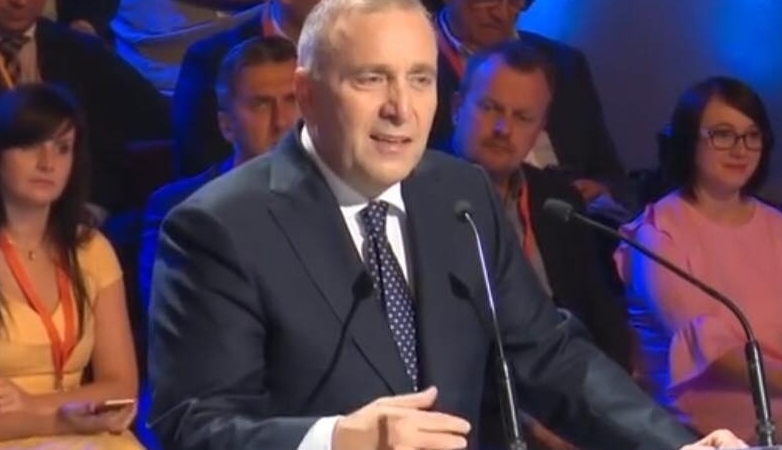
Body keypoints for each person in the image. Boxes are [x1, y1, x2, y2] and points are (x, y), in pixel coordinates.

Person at [147, 1, 747, 449]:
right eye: (371, 78)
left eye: (420, 79)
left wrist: (674, 445)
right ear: (307, 93)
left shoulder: (460, 195)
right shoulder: (219, 227)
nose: (400, 109)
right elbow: (194, 426)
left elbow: (549, 356)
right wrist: (337, 439)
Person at [614, 76, 782, 443]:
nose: (740, 149)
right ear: (689, 141)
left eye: (752, 136)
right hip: (697, 437)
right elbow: (714, 354)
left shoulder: (776, 226)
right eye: (723, 134)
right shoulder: (657, 234)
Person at [0, 84, 140, 448]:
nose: (48, 162)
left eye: (63, 148)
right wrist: (60, 419)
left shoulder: (91, 249)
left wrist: (36, 407)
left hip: (87, 432)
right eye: (31, 145)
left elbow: (121, 389)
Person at [139, 35, 299, 311]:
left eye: (292, 100)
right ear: (226, 125)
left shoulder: (339, 198)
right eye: (261, 104)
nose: (281, 121)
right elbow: (174, 315)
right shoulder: (178, 210)